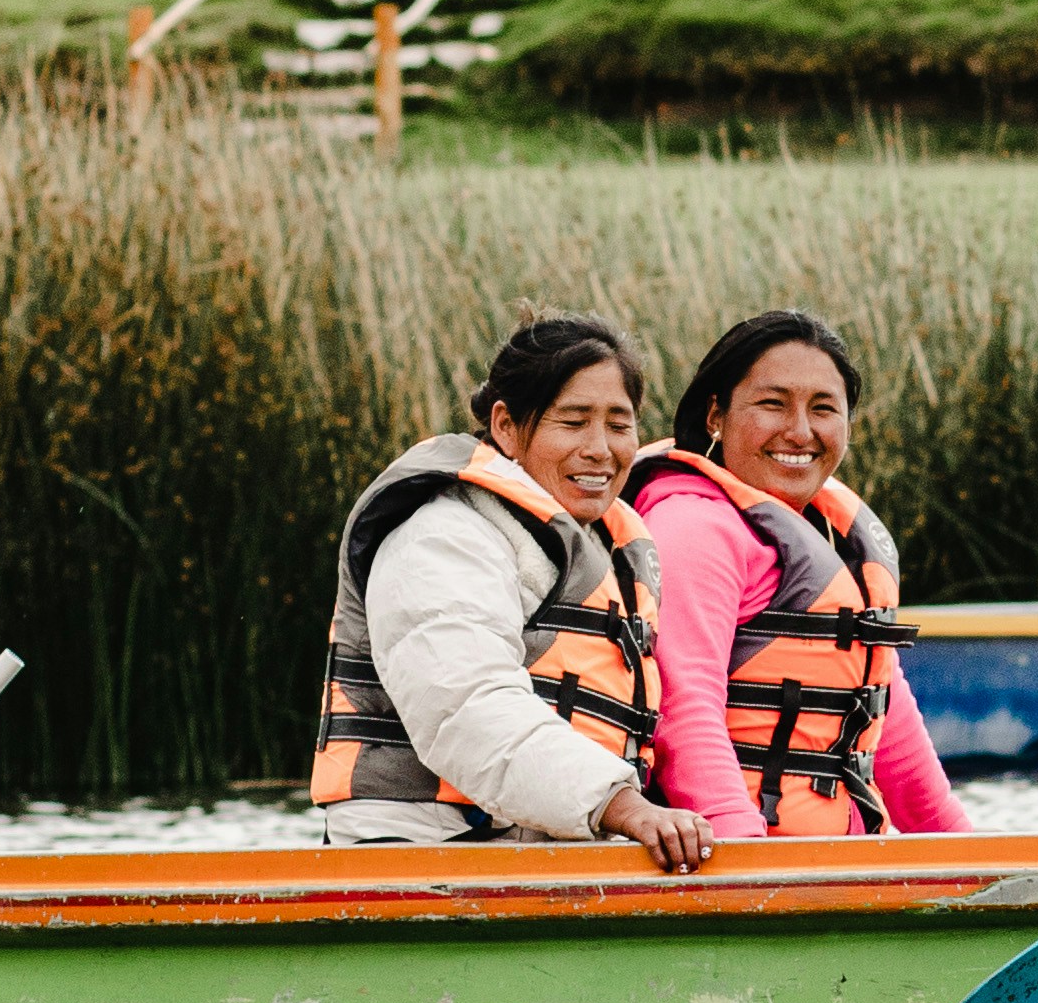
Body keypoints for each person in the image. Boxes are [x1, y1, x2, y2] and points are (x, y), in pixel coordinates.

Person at [311, 313, 715, 867]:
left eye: (619, 424)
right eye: (573, 422)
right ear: (505, 426)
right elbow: (467, 711)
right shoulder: (440, 537)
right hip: (421, 857)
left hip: (542, 854)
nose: (601, 448)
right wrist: (627, 808)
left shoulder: (613, 552)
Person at [632, 311, 970, 837]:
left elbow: (895, 741)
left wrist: (965, 854)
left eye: (824, 409)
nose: (800, 431)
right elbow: (683, 708)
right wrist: (746, 858)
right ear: (715, 414)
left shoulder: (836, 545)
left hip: (834, 857)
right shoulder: (692, 526)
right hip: (738, 860)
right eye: (773, 404)